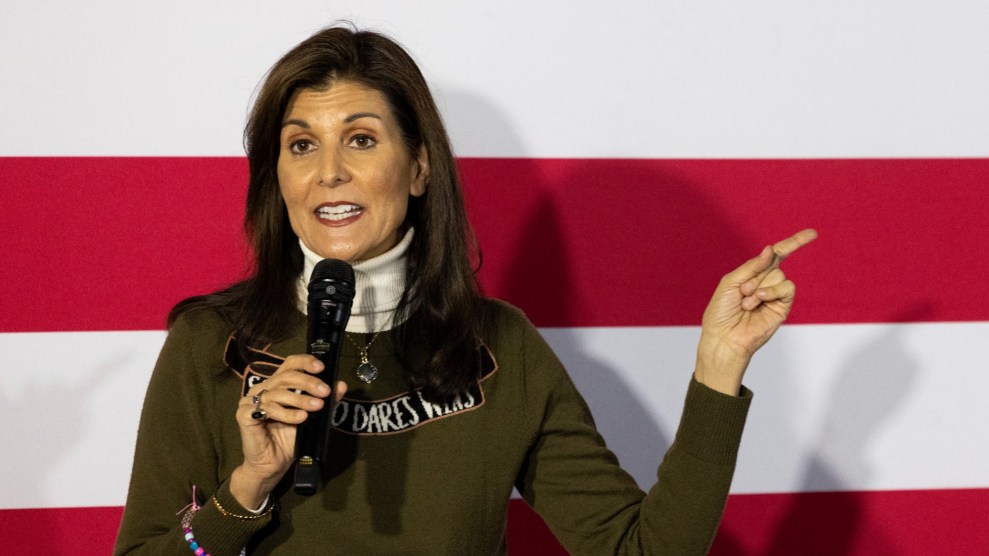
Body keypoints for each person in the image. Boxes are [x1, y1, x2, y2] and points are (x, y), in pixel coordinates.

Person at [114, 26, 816, 556]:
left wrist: (717, 369)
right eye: (301, 145)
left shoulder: (498, 345)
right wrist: (244, 492)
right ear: (278, 178)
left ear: (418, 168)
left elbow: (641, 550)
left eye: (360, 139)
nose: (328, 171)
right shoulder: (210, 344)